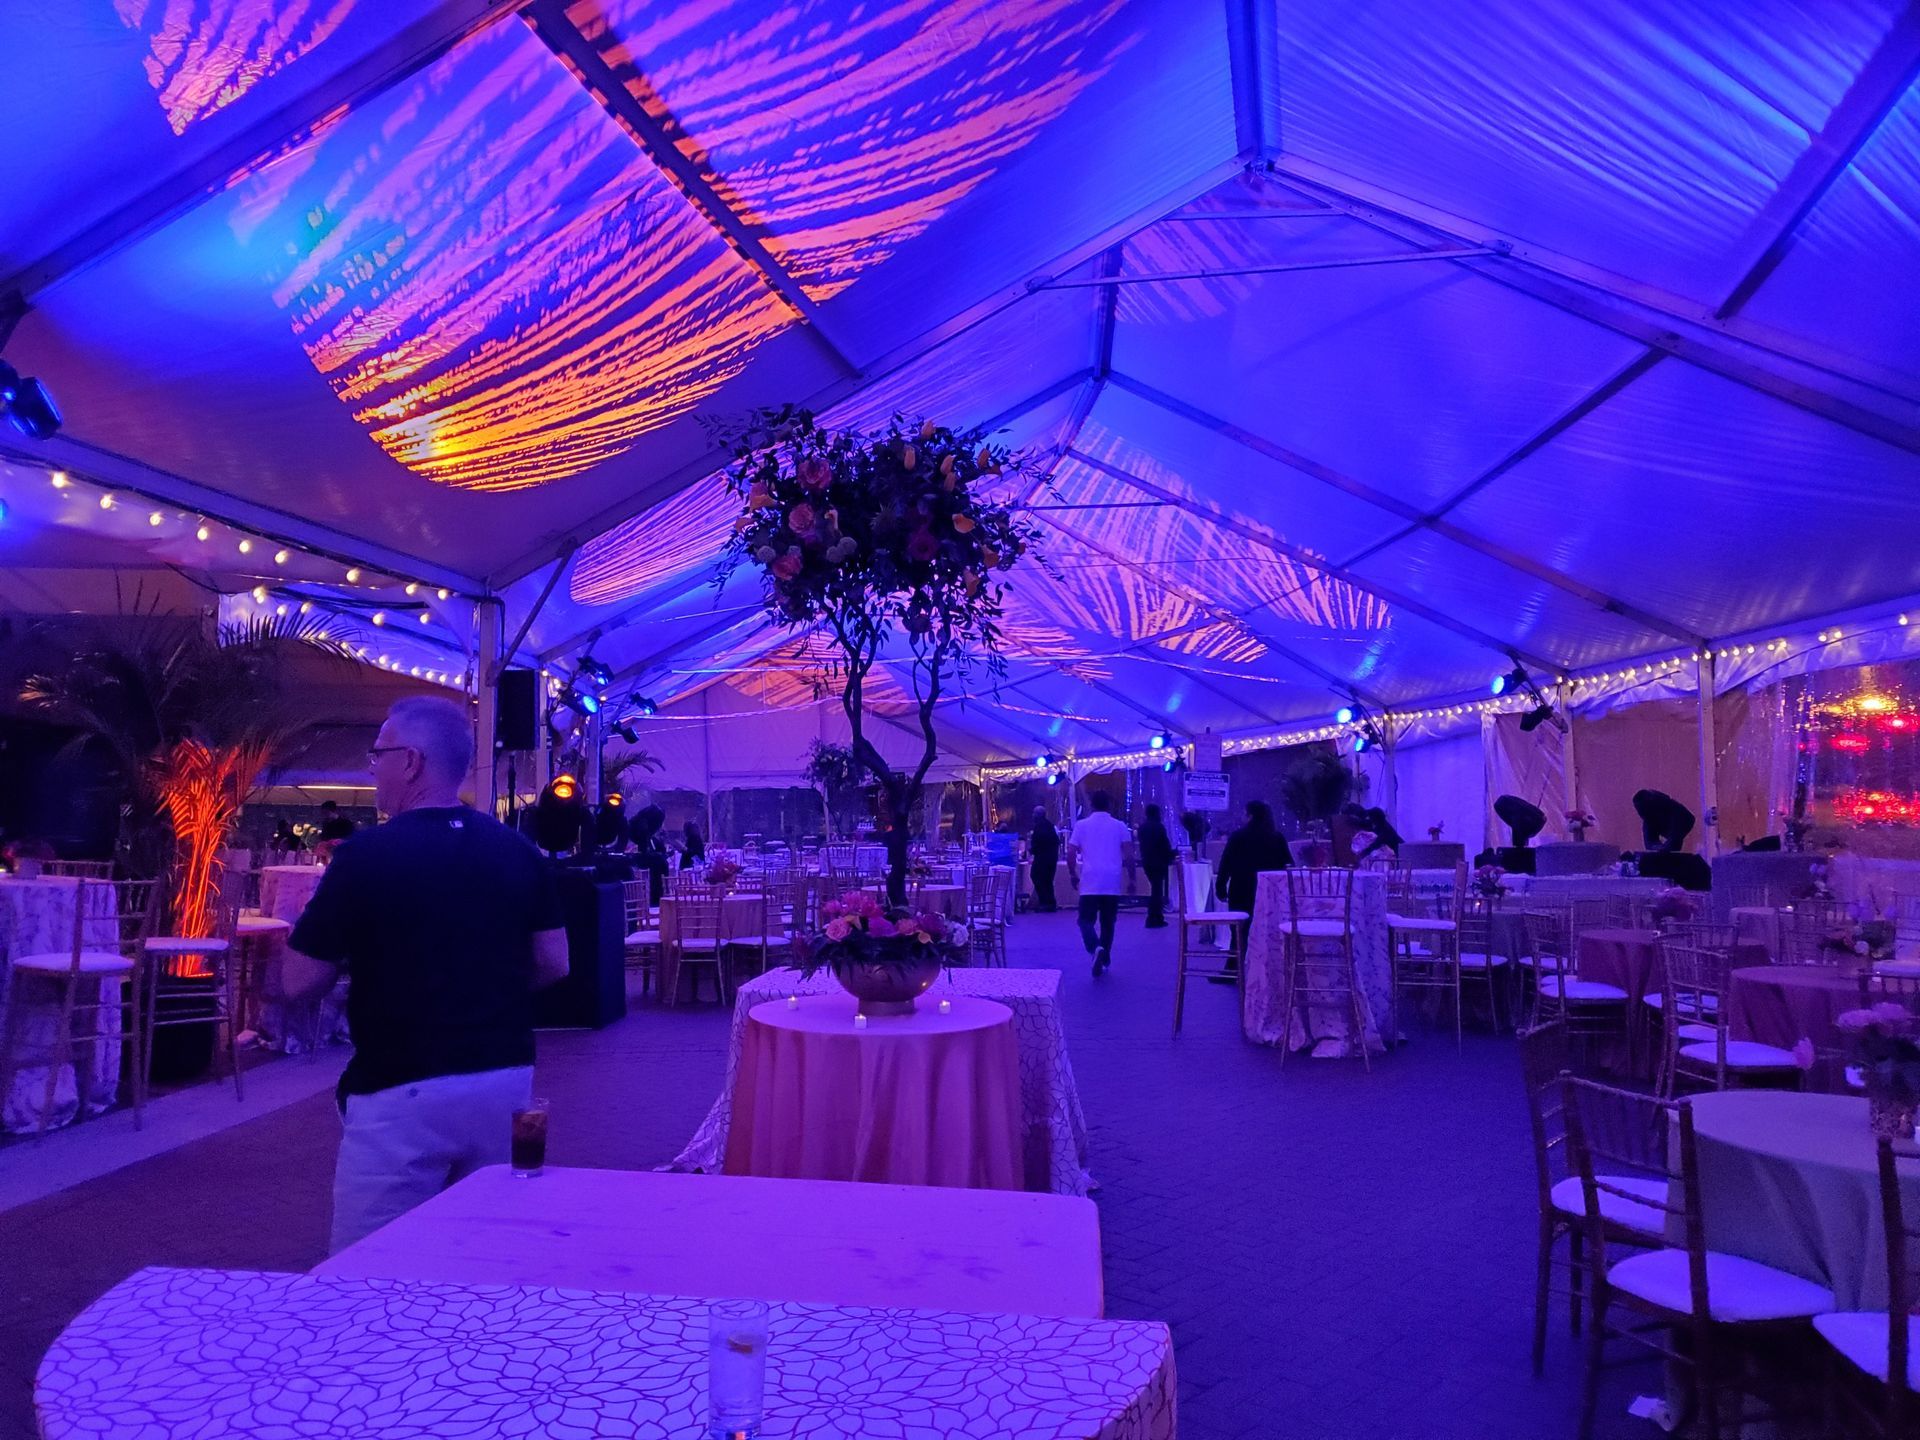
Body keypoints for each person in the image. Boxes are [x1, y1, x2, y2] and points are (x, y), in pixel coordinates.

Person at [280, 697, 570, 1255]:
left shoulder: (365, 856)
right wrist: (484, 984)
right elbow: (556, 962)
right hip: (505, 1080)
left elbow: (299, 981)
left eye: (378, 756)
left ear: (411, 762)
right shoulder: (518, 851)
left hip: (402, 1088)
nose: (374, 769)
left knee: (370, 1267)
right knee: (484, 1252)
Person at [1067, 793, 1130, 976]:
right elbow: (1129, 854)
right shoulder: (1120, 826)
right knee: (1108, 923)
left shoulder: (1081, 825)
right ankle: (1104, 958)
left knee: (1085, 921)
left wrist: (1072, 874)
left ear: (1092, 805)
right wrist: (1132, 878)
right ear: (1109, 805)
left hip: (1090, 881)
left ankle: (1095, 948)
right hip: (1112, 880)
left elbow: (1071, 852)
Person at [1215, 800, 1293, 918]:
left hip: (1241, 889)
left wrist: (1220, 887)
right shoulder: (1277, 837)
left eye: (1244, 813)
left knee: (1242, 925)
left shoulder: (1238, 836)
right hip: (1270, 891)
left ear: (1250, 816)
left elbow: (1226, 863)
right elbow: (1288, 864)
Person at [1138, 803, 1174, 927]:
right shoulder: (1159, 827)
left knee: (1155, 889)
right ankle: (1155, 917)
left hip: (1147, 862)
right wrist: (1172, 854)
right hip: (1159, 862)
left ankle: (1154, 916)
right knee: (1157, 891)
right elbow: (1164, 846)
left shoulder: (1142, 828)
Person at [1028, 809, 1061, 912]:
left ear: (1038, 815)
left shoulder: (1040, 827)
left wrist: (1032, 850)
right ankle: (1049, 902)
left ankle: (1045, 902)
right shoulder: (1049, 825)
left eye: (1034, 813)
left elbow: (1039, 842)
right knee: (1047, 880)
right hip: (1051, 858)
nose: (1032, 815)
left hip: (1042, 858)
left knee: (1037, 876)